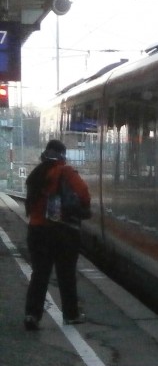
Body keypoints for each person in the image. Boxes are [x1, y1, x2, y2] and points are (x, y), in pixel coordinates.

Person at [23, 139, 92, 330]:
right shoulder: (65, 171)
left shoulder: (35, 175)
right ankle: (70, 314)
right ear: (62, 155)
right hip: (63, 232)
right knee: (66, 274)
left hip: (37, 232)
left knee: (40, 274)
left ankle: (32, 315)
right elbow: (84, 193)